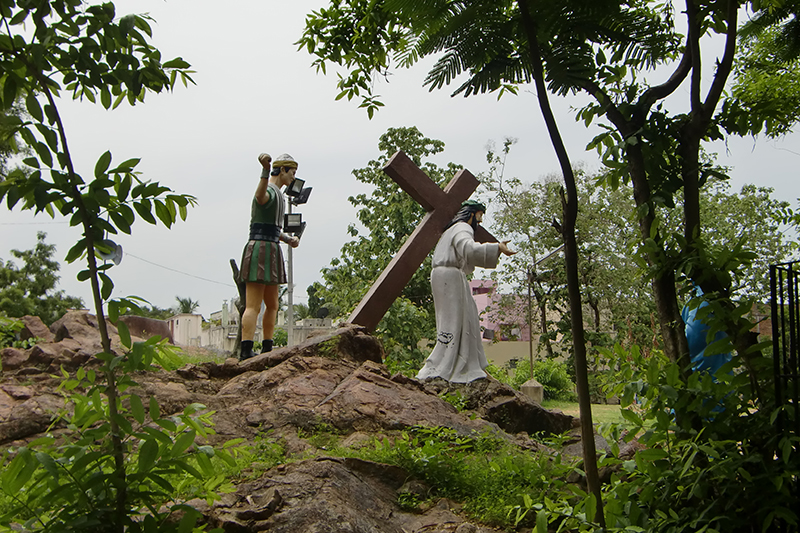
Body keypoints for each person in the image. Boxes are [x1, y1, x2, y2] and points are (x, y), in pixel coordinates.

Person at [416, 200, 515, 382]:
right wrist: (497, 248)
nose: (481, 221)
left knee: (466, 319)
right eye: (480, 216)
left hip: (447, 275)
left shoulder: (451, 230)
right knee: (454, 321)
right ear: (472, 214)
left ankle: (466, 364)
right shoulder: (463, 228)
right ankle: (447, 366)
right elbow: (468, 249)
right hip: (449, 276)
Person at [238, 153, 300, 360]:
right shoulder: (270, 192)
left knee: (273, 304)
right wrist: (265, 171)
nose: (293, 178)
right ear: (282, 170)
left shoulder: (279, 196)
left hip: (272, 247)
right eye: (292, 173)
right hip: (260, 249)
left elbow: (272, 228)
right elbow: (259, 196)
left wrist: (287, 239)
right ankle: (246, 349)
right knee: (253, 305)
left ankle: (267, 346)